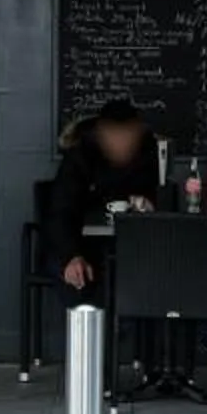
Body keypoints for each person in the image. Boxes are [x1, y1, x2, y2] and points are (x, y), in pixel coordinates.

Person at [46, 99, 160, 294]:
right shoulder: (80, 155)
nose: (121, 143)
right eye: (114, 136)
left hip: (130, 246)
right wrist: (71, 255)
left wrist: (148, 204)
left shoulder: (148, 153)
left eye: (127, 136)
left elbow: (155, 199)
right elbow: (61, 212)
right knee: (81, 276)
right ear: (101, 133)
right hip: (79, 243)